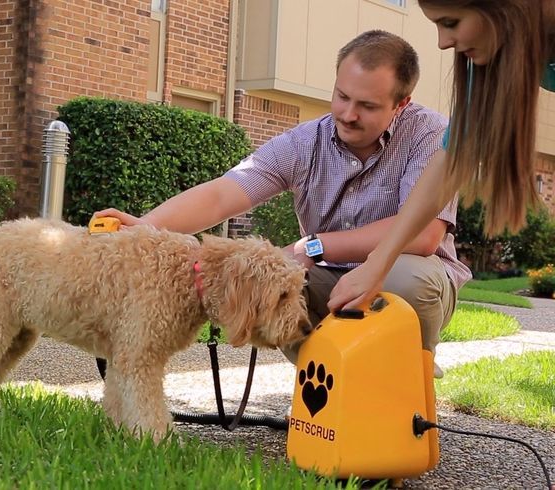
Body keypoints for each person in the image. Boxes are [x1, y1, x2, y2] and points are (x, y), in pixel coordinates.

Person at [94, 30, 471, 373]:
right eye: (342, 96)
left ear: (401, 104)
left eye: (367, 106)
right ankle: (329, 385)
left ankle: (407, 369)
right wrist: (147, 226)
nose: (347, 114)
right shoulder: (305, 142)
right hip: (326, 275)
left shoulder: (429, 135)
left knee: (404, 277)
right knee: (273, 290)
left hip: (410, 273)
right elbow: (223, 193)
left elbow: (423, 236)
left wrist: (315, 245)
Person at [327, 0, 555, 314]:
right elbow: (450, 163)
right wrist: (376, 265)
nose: (442, 42)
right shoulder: (495, 58)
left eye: (451, 22)